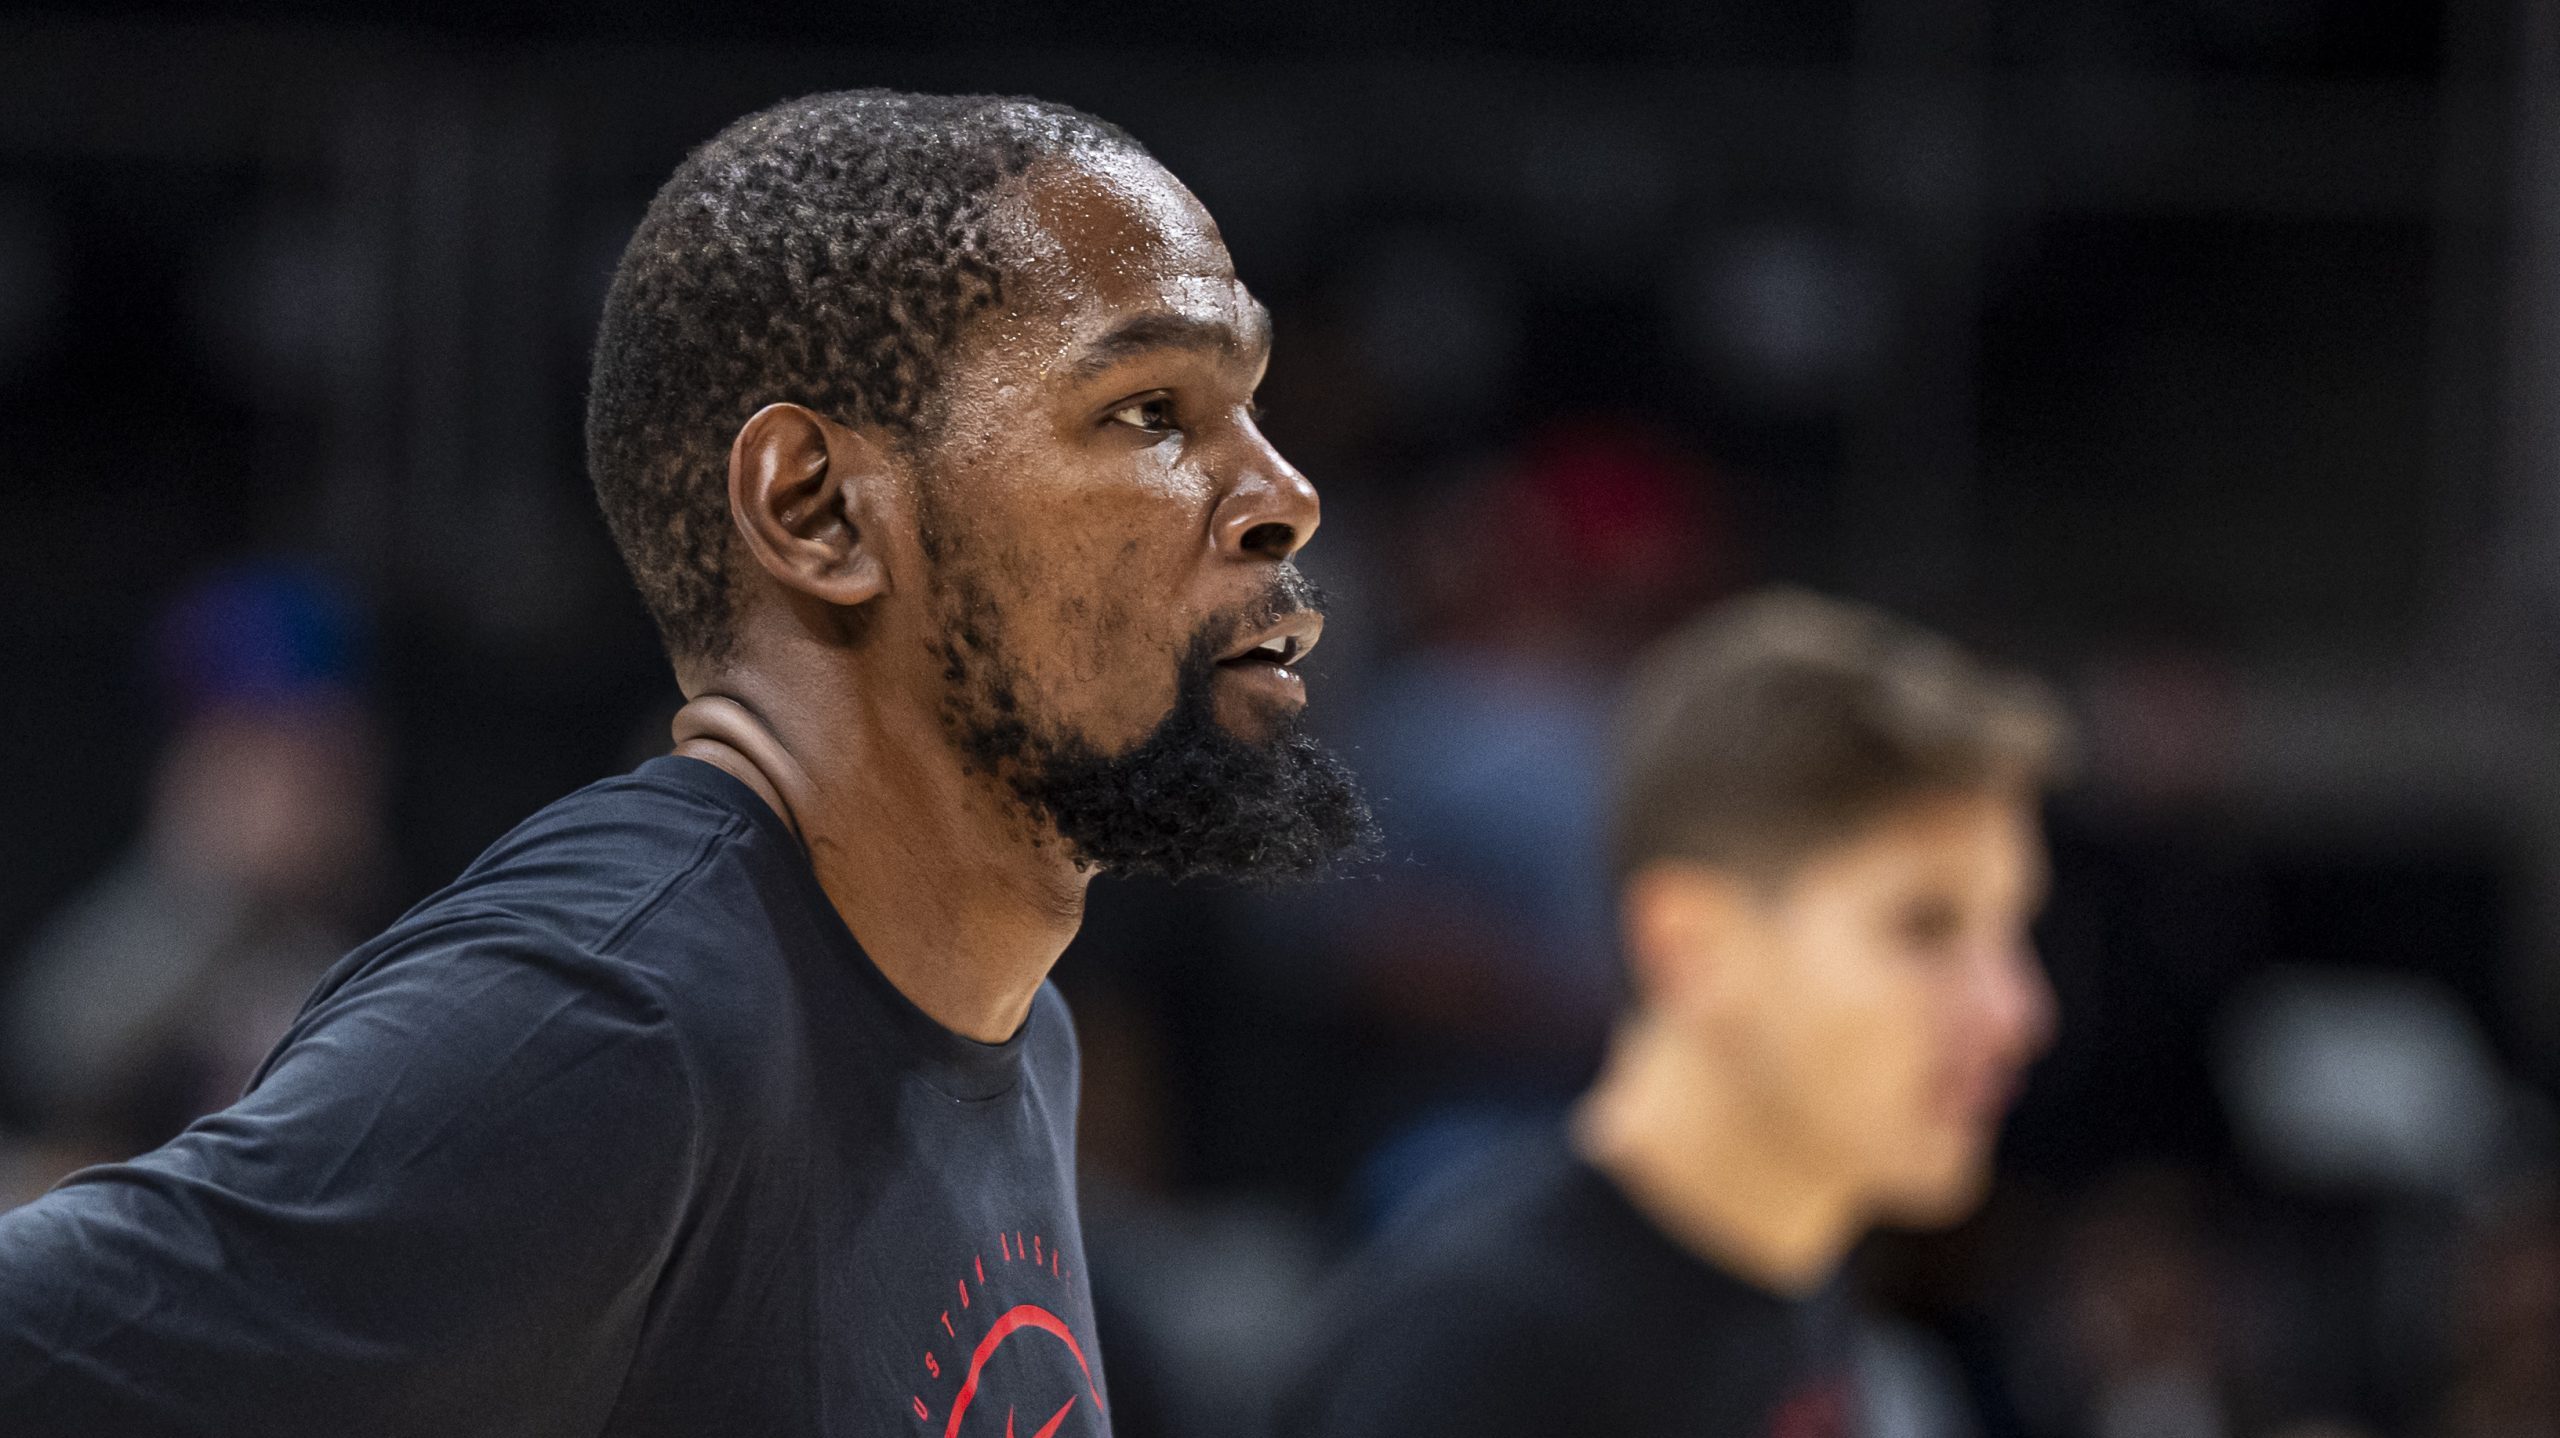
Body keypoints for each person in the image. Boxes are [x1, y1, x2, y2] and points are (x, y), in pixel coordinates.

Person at [0, 89, 1371, 1437]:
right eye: (1149, 409)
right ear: (817, 509)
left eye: (1250, 404)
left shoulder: (1005, 1023)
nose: (1284, 493)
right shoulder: (617, 1020)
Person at [1275, 587, 2067, 1438]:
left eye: (2012, 931)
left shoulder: (1788, 1277)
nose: (2018, 1011)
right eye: (1925, 930)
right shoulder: (1483, 1360)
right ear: (1690, 947)